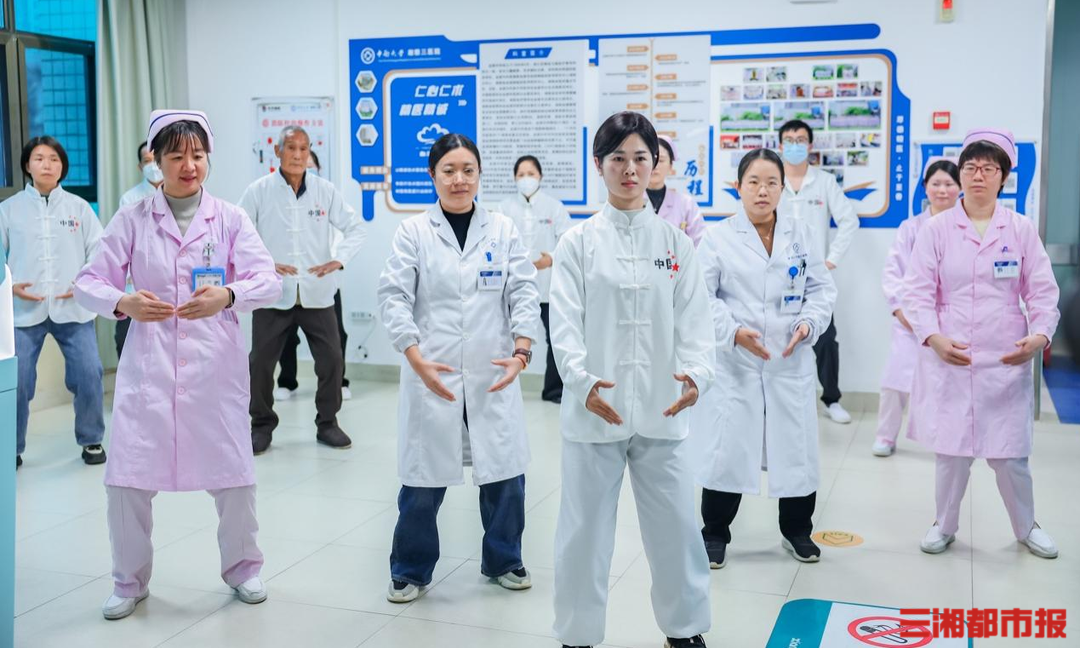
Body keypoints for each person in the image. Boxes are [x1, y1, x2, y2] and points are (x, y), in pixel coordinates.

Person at [74, 109, 283, 619]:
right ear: (156, 160)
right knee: (127, 478)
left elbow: (269, 281)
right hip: (150, 368)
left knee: (234, 476)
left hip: (214, 368)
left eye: (198, 155)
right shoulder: (133, 219)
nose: (189, 166)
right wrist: (123, 302)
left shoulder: (230, 218)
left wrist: (228, 295)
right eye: (176, 156)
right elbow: (87, 282)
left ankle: (243, 568)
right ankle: (129, 581)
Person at [550, 112, 715, 648]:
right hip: (595, 411)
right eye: (617, 158)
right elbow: (564, 325)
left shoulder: (675, 244)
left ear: (655, 163)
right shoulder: (577, 243)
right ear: (598, 164)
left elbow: (697, 322)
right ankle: (577, 634)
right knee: (583, 532)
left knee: (678, 529)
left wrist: (697, 376)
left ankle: (684, 630)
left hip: (663, 410)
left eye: (640, 157)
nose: (629, 169)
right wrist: (581, 382)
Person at [377, 133, 541, 604]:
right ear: (432, 175)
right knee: (422, 481)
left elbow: (524, 292)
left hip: (494, 370)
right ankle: (410, 569)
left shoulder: (503, 229)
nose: (459, 179)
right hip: (433, 370)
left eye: (468, 170)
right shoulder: (413, 232)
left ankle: (505, 559)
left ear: (479, 175)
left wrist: (522, 351)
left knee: (504, 474)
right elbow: (394, 296)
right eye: (448, 170)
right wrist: (414, 356)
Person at [904, 128, 1060, 559]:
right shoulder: (937, 229)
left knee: (1011, 456)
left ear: (1003, 178)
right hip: (952, 351)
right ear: (960, 173)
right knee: (951, 454)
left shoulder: (1020, 229)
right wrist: (933, 336)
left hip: (1006, 354)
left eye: (989, 168)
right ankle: (944, 524)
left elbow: (1042, 291)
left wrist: (1040, 335)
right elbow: (917, 291)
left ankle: (1027, 527)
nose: (978, 175)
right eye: (971, 167)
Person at [693, 148, 836, 569]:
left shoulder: (800, 233)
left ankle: (797, 531)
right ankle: (714, 532)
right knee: (728, 449)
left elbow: (821, 290)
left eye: (772, 182)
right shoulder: (718, 237)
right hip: (737, 363)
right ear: (738, 187)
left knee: (796, 450)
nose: (762, 190)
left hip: (790, 361)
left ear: (782, 188)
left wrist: (809, 323)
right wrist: (733, 332)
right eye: (753, 181)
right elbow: (701, 297)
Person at [241, 126, 365, 455]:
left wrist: (338, 260)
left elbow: (355, 228)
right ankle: (261, 426)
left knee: (332, 361)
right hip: (273, 291)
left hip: (317, 293)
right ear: (278, 151)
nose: (298, 155)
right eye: (291, 148)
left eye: (303, 148)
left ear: (309, 152)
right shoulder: (258, 191)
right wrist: (266, 262)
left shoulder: (325, 191)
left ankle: (328, 423)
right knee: (260, 364)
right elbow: (238, 234)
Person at [1, 136, 105, 468]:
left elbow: (99, 251)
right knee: (17, 382)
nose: (47, 164)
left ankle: (91, 439)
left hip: (73, 308)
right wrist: (10, 286)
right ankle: (10, 447)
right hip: (23, 311)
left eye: (54, 159)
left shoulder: (79, 208)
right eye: (39, 158)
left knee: (89, 373)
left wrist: (84, 281)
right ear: (27, 165)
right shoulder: (8, 209)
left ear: (63, 167)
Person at [872, 158, 960, 457]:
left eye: (949, 184)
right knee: (896, 380)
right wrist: (900, 311)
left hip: (950, 321)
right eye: (936, 183)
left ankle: (945, 439)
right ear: (925, 187)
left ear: (959, 188)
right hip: (910, 321)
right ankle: (885, 436)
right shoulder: (911, 228)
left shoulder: (963, 228)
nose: (942, 190)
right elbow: (893, 272)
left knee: (948, 384)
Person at [777, 119, 859, 424]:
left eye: (800, 139)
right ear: (781, 145)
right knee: (777, 335)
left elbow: (849, 221)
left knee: (825, 339)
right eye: (789, 140)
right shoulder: (773, 180)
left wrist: (831, 260)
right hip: (778, 274)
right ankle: (778, 400)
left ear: (810, 145)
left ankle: (831, 400)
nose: (795, 145)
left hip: (813, 278)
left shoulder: (823, 181)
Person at [273, 149, 354, 402]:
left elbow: (344, 232)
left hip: (323, 283)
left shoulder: (327, 196)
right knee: (287, 336)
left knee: (335, 335)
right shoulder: (277, 201)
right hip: (289, 283)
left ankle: (339, 381)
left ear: (317, 169)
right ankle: (287, 381)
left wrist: (335, 260)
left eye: (309, 166)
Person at [498, 154, 573, 403]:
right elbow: (497, 243)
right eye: (521, 174)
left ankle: (553, 390)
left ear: (540, 176)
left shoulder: (554, 207)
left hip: (547, 285)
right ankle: (502, 386)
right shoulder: (505, 208)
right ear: (514, 178)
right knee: (504, 336)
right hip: (513, 285)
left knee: (556, 338)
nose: (526, 179)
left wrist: (550, 258)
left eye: (530, 174)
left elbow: (567, 241)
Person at [115, 141, 165, 359]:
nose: (153, 165)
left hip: (168, 283)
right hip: (135, 286)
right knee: (127, 343)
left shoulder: (180, 196)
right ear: (139, 166)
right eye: (147, 161)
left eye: (156, 159)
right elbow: (122, 243)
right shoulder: (130, 198)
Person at [647, 135, 706, 246]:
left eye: (661, 160)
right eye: (651, 159)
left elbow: (700, 244)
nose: (655, 166)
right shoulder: (629, 201)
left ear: (670, 166)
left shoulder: (686, 204)